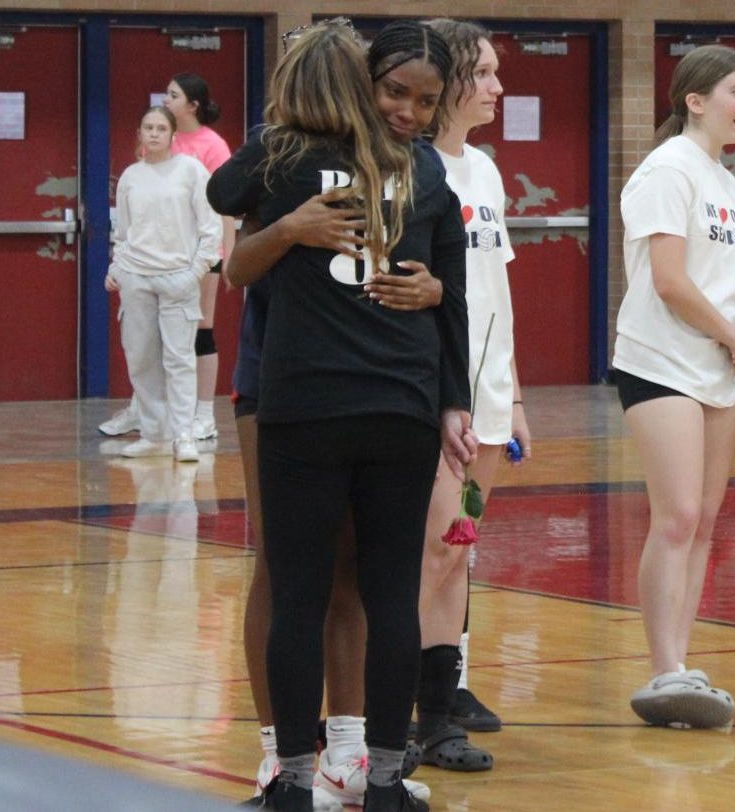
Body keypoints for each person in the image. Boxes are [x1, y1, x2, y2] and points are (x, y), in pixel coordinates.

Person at [209, 21, 475, 812]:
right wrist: (451, 384)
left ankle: (293, 779)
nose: (409, 111)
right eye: (395, 92)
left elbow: (226, 190)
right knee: (388, 593)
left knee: (298, 590)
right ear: (365, 86)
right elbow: (452, 293)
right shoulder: (423, 168)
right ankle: (384, 781)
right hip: (399, 404)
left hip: (307, 405)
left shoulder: (284, 159)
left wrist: (296, 138)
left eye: (424, 100)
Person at [612, 44, 735, 728]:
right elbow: (671, 281)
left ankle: (683, 664)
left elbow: (723, 278)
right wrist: (732, 333)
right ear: (695, 100)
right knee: (675, 516)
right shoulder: (666, 170)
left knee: (703, 520)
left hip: (718, 368)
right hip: (660, 361)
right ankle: (664, 667)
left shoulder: (728, 184)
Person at [406, 18, 532, 773]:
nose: (496, 86)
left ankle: (440, 708)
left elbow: (496, 293)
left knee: (458, 554)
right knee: (429, 551)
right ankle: (399, 716)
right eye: (483, 73)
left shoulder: (482, 169)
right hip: (433, 396)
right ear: (449, 79)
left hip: (487, 397)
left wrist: (512, 396)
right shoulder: (415, 170)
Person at [100, 73, 235, 442]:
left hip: (195, 258)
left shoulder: (209, 147)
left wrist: (223, 255)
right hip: (147, 263)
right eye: (150, 127)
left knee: (197, 333)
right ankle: (146, 415)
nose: (166, 98)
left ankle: (201, 414)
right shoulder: (142, 161)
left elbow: (222, 205)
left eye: (173, 95)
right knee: (144, 344)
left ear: (191, 105)